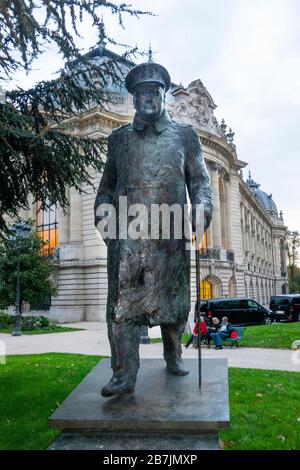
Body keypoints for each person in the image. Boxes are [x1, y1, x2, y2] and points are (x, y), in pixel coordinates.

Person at [94, 60, 213, 397]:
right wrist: (105, 221)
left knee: (173, 302)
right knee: (122, 308)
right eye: (142, 92)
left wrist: (203, 207)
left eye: (154, 91)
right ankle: (123, 374)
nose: (148, 97)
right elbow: (106, 187)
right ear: (133, 99)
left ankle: (173, 355)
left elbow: (201, 183)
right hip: (127, 238)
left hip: (169, 232)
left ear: (163, 95)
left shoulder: (185, 136)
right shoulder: (118, 140)